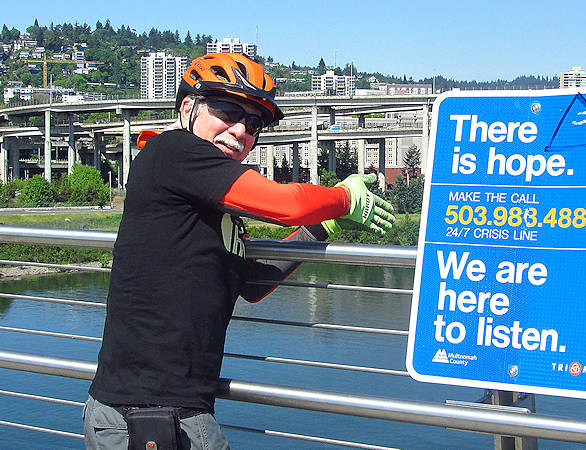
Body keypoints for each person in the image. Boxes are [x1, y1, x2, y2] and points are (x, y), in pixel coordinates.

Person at [83, 53, 395, 449]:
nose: (240, 130)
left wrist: (320, 228)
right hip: (151, 413)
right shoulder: (173, 151)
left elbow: (252, 282)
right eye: (227, 110)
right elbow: (288, 204)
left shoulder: (208, 202)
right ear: (187, 108)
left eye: (254, 124)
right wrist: (343, 199)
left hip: (165, 409)